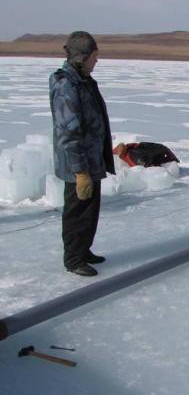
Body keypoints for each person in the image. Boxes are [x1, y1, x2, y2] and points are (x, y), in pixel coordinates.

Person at [49, 31, 115, 276]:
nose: (96, 62)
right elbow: (68, 130)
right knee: (77, 211)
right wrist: (80, 171)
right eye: (94, 57)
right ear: (81, 57)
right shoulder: (66, 83)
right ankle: (74, 259)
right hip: (79, 164)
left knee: (90, 210)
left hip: (92, 159)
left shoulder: (84, 80)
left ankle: (84, 249)